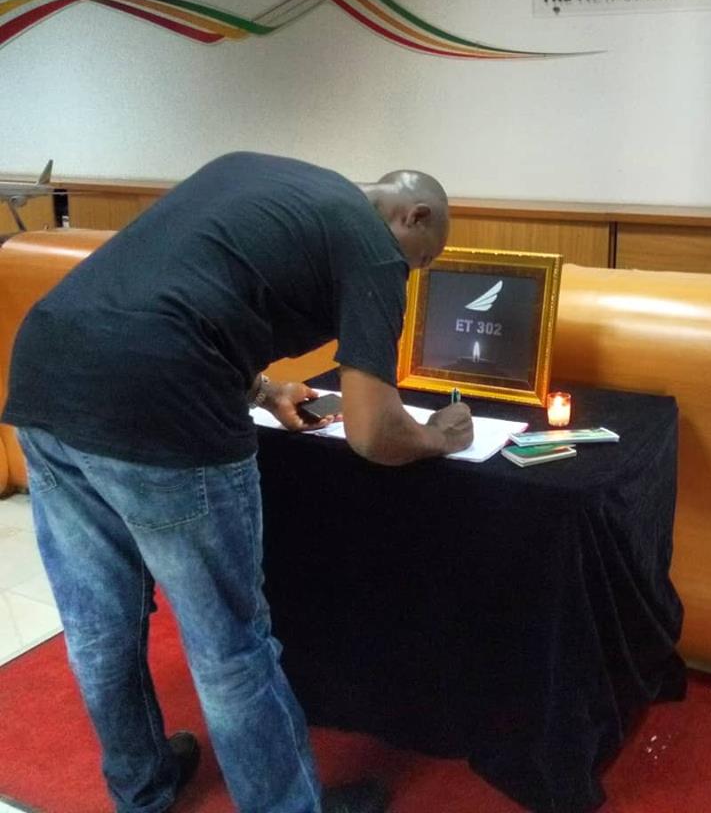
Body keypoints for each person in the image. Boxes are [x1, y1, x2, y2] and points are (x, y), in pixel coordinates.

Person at [1, 151, 474, 813]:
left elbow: (174, 293)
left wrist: (262, 389)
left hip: (47, 375)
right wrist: (438, 436)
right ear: (412, 215)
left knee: (98, 624)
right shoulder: (373, 247)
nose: (412, 276)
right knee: (231, 647)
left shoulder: (255, 171)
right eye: (421, 262)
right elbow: (372, 432)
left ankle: (143, 787)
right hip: (163, 409)